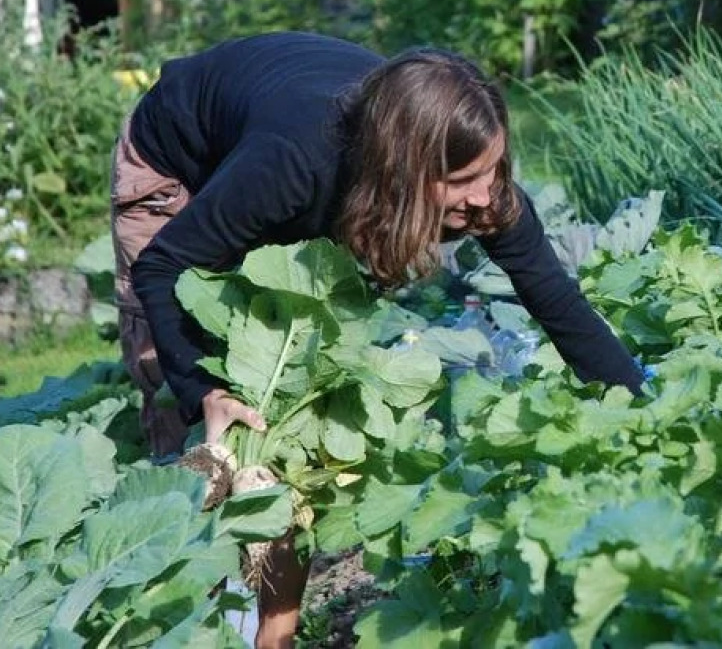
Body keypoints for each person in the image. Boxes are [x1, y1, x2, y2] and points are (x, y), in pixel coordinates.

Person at [111, 32, 644, 649]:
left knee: (295, 412)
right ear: (405, 170)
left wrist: (639, 404)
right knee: (209, 431)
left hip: (286, 161)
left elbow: (557, 301)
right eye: (464, 179)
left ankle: (270, 639)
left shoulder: (470, 181)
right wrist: (202, 390)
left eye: (494, 167)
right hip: (177, 163)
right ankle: (203, 625)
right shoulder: (293, 165)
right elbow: (164, 264)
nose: (484, 193)